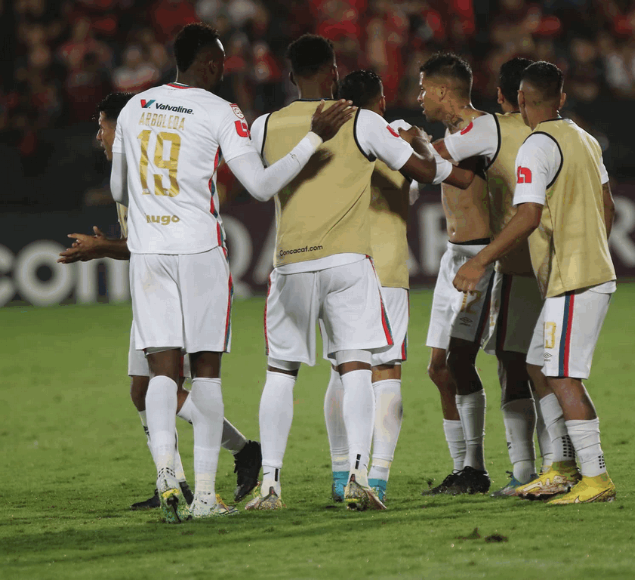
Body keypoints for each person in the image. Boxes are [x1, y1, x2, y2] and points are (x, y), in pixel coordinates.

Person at [109, 23, 355, 522]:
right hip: (198, 249)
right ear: (207, 63)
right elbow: (261, 186)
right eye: (220, 60)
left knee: (161, 371)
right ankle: (203, 496)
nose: (225, 68)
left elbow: (118, 187)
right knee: (204, 371)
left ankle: (164, 477)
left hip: (149, 250)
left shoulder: (135, 106)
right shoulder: (221, 110)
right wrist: (313, 138)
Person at [244, 34, 451, 512]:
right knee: (358, 367)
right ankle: (359, 474)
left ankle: (270, 486)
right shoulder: (365, 122)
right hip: (349, 263)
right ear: (333, 71)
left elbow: (255, 181)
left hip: (290, 263)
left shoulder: (264, 126)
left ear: (290, 75)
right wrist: (421, 147)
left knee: (280, 371)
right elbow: (422, 173)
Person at [58, 91, 263, 511]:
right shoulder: (130, 169)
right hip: (154, 280)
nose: (99, 135)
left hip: (177, 278)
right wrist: (107, 244)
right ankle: (185, 476)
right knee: (142, 390)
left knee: (168, 382)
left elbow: (154, 242)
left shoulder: (149, 166)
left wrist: (102, 247)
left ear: (125, 125)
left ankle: (209, 469)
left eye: (103, 126)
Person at [453, 61, 618, 504]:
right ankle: (560, 468)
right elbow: (608, 207)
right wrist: (591, 248)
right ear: (561, 98)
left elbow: (527, 215)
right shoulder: (586, 139)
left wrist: (480, 261)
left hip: (572, 278)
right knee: (535, 363)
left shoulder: (535, 146)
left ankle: (595, 476)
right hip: (586, 272)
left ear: (521, 101)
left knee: (562, 376)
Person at [433, 57, 555, 497]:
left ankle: (530, 468)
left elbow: (437, 158)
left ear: (506, 98)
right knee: (550, 369)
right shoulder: (568, 134)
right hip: (560, 267)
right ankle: (560, 464)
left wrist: (393, 142)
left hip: (517, 262)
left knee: (514, 362)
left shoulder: (493, 127)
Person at [322, 70, 417, 504]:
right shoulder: (396, 134)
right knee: (386, 371)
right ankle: (376, 477)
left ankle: (342, 475)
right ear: (379, 101)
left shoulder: (324, 136)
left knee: (344, 370)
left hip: (338, 262)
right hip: (388, 264)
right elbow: (418, 185)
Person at [417, 53, 494, 496]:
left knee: (460, 362)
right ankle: (463, 467)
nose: (419, 97)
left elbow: (431, 162)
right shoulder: (451, 133)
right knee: (438, 368)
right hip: (453, 257)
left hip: (480, 258)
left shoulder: (481, 129)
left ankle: (477, 467)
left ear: (445, 91)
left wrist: (407, 144)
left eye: (423, 87)